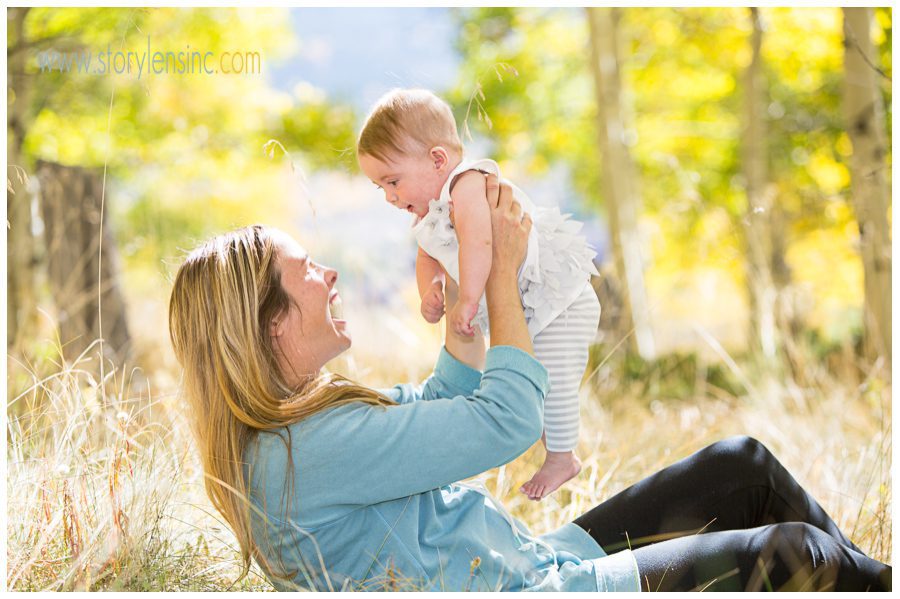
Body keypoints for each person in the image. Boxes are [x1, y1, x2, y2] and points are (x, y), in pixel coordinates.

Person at [168, 175, 891, 592]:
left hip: (525, 561)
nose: (327, 274)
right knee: (798, 555)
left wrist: (465, 306)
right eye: (306, 270)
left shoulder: (302, 425)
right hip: (529, 590)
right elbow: (507, 421)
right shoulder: (297, 453)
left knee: (743, 465)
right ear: (269, 324)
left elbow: (436, 414)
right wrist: (506, 278)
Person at [357, 88, 599, 500]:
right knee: (529, 385)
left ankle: (563, 456)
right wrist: (429, 292)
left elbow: (478, 243)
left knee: (553, 379)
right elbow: (427, 256)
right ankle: (555, 445)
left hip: (560, 303)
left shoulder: (467, 184)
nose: (390, 197)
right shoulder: (430, 216)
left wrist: (468, 299)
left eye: (392, 181)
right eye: (381, 188)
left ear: (437, 160)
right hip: (530, 311)